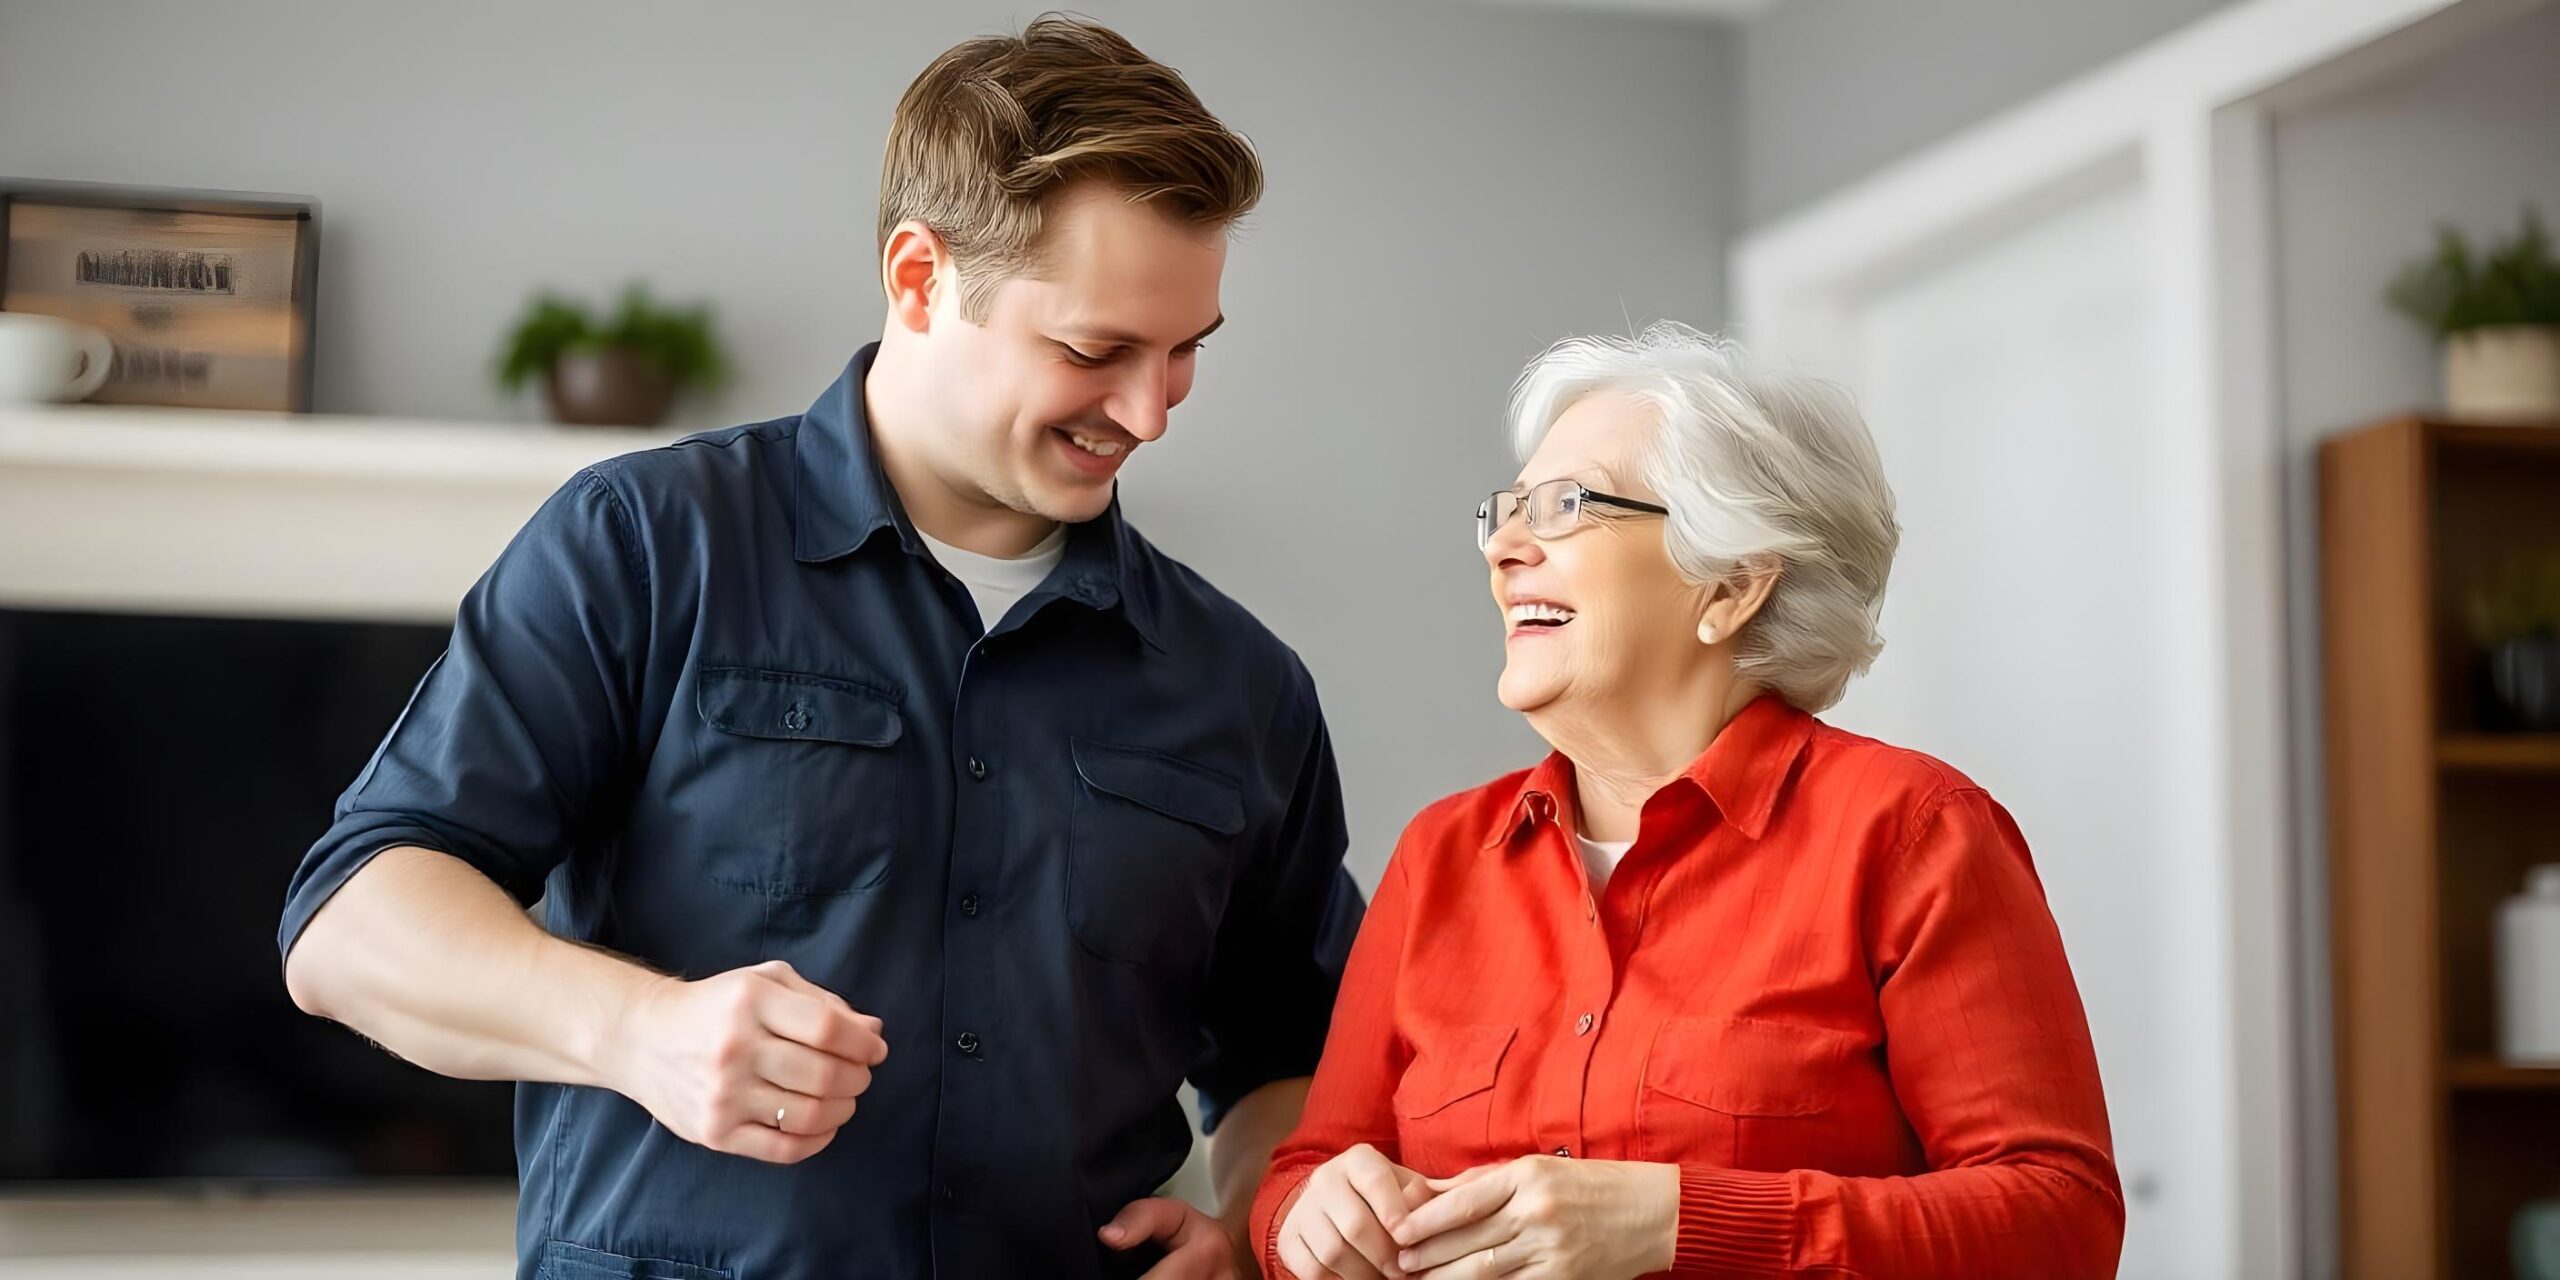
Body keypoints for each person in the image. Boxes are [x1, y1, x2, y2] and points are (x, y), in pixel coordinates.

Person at [280, 16, 1360, 1279]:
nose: (1147, 411)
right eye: (1094, 350)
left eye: (1184, 354)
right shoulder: (646, 542)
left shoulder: (1241, 682)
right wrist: (639, 1029)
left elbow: (1296, 1057)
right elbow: (349, 924)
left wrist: (1251, 1227)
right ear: (918, 277)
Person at [1256, 324, 2121, 1280]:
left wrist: (1679, 1221)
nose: (1503, 547)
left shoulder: (1914, 832)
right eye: (1505, 511)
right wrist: (1306, 1214)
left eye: (1564, 506)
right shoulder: (1442, 853)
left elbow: (2059, 1222)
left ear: (1731, 584)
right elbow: (1304, 1171)